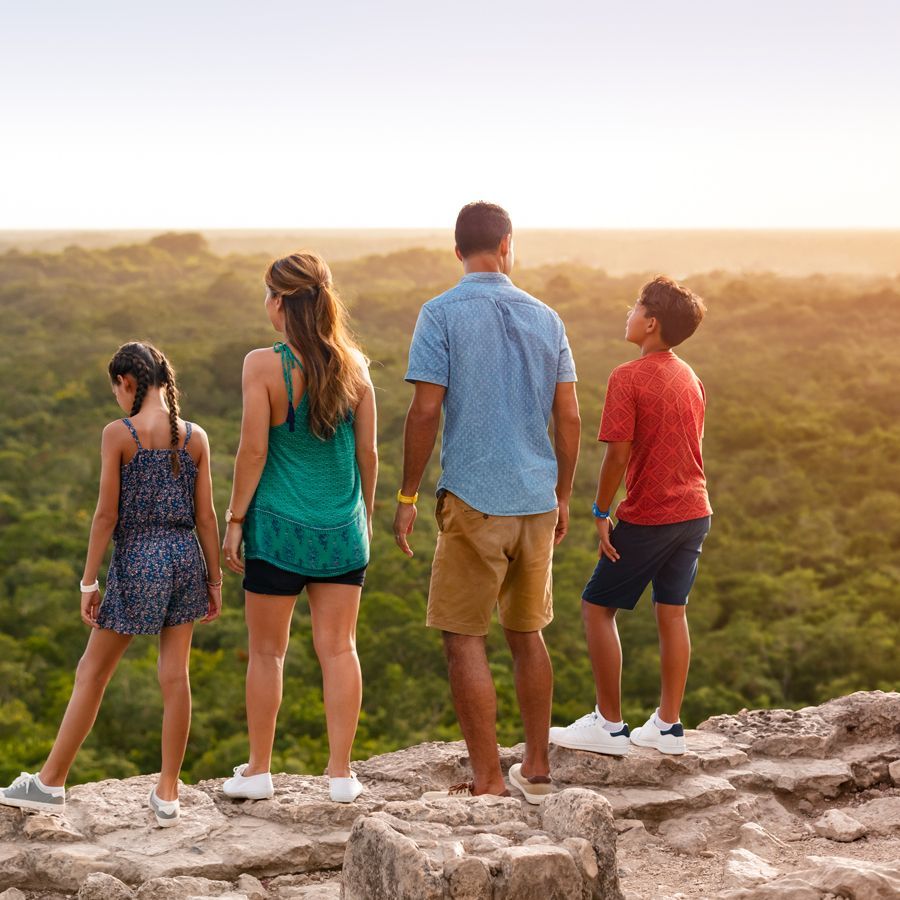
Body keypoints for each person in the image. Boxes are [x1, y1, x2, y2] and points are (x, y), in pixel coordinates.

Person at [394, 201, 581, 804]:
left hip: (474, 497)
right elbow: (570, 414)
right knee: (527, 634)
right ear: (506, 245)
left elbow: (425, 409)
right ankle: (537, 764)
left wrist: (407, 494)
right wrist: (565, 494)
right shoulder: (547, 317)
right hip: (537, 498)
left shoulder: (439, 313)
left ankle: (489, 780)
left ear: (457, 251)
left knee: (462, 637)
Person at [0, 342, 222, 826]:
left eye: (116, 390)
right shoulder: (195, 436)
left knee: (92, 671)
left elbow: (105, 515)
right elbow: (205, 516)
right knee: (175, 677)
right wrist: (215, 579)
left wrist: (87, 582)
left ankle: (50, 782)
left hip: (139, 559)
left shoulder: (119, 434)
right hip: (186, 558)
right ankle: (167, 794)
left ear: (126, 383)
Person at [221, 251, 376, 805]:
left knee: (268, 653)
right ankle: (340, 775)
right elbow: (368, 454)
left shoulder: (262, 365)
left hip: (277, 532)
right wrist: (366, 518)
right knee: (339, 650)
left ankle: (259, 769)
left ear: (282, 303)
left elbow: (254, 450)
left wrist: (234, 520)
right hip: (342, 531)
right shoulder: (356, 367)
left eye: (269, 294)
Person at [550, 276, 711, 757]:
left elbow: (617, 455)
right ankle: (667, 725)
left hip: (651, 514)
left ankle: (610, 724)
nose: (629, 313)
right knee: (672, 611)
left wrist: (601, 511)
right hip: (695, 510)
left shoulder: (628, 377)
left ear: (652, 322)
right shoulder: (690, 376)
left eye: (635, 307)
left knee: (597, 608)